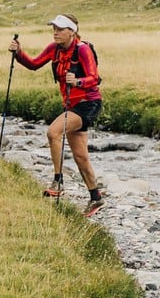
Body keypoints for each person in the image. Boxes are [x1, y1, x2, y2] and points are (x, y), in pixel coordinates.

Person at [10, 15, 106, 217]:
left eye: (60, 29)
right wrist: (18, 53)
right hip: (71, 104)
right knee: (80, 156)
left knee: (53, 132)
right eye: (54, 28)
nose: (55, 32)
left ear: (72, 31)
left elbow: (94, 78)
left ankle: (58, 181)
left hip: (88, 103)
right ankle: (96, 198)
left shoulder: (82, 49)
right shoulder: (53, 49)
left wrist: (78, 81)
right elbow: (34, 64)